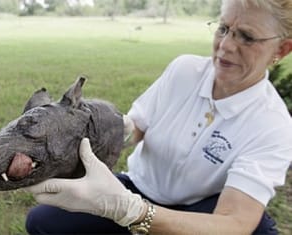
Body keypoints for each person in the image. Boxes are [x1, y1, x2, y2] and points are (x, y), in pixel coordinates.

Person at [25, 0, 292, 234]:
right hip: (136, 187)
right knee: (42, 221)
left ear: (281, 50)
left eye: (246, 36)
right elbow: (136, 127)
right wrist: (99, 132)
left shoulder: (273, 125)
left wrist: (133, 212)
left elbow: (235, 222)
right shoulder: (184, 70)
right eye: (223, 28)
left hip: (198, 207)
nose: (225, 45)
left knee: (258, 230)